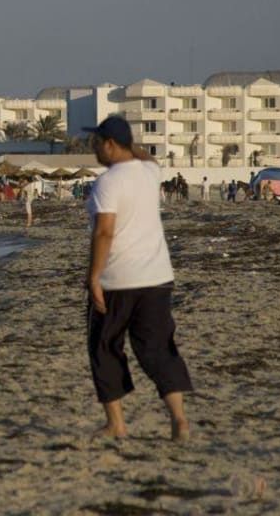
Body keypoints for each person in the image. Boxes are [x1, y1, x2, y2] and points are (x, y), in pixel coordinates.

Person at [84, 116, 193, 441]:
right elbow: (148, 158)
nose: (94, 148)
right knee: (158, 348)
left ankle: (116, 424)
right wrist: (130, 146)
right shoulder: (149, 172)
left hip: (118, 279)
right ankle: (178, 418)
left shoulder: (108, 182)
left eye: (97, 142)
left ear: (110, 144)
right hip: (156, 276)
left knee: (104, 347)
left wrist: (93, 277)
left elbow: (104, 232)